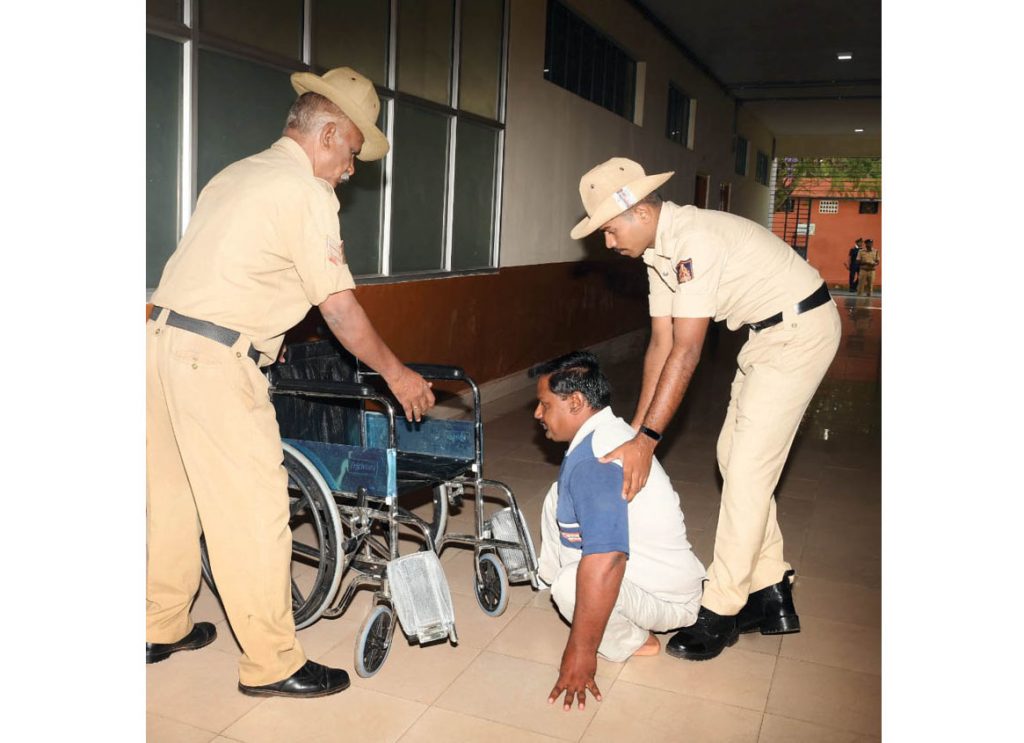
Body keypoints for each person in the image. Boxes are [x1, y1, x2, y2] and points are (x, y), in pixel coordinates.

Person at [146, 67, 436, 698]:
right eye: (352, 152)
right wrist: (396, 373)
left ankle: (159, 625)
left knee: (172, 497)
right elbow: (338, 308)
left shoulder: (237, 173)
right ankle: (272, 664)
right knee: (255, 510)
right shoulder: (305, 191)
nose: (350, 169)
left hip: (158, 345)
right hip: (216, 361)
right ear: (328, 134)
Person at [568, 157, 841, 661]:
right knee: (732, 458)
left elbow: (688, 350)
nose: (607, 242)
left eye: (609, 229)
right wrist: (635, 433)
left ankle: (722, 607)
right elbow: (661, 344)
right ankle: (771, 591)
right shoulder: (658, 253)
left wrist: (649, 440)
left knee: (748, 471)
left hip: (799, 332)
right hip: (766, 336)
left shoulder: (694, 240)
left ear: (640, 212)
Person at [530, 351, 704, 711]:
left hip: (668, 601)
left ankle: (634, 640)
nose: (537, 414)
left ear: (576, 402)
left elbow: (609, 560)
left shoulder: (595, 461)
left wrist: (580, 651)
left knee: (570, 586)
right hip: (654, 576)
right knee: (558, 494)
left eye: (545, 405)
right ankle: (555, 580)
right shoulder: (611, 432)